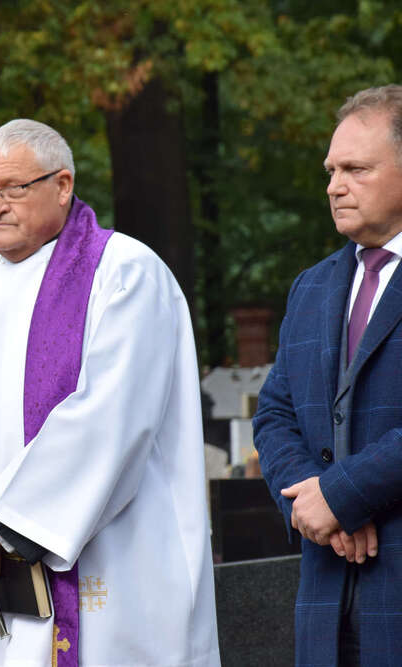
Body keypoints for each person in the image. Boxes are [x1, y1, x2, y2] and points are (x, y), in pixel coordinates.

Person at [0, 119, 219, 666]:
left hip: (107, 563)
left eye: (13, 188)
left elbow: (109, 420)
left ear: (62, 185)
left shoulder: (125, 272)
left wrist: (1, 530)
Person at [253, 84, 402, 666]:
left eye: (356, 169)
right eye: (331, 170)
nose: (334, 186)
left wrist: (343, 494)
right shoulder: (312, 285)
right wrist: (313, 510)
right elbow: (276, 413)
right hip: (324, 600)